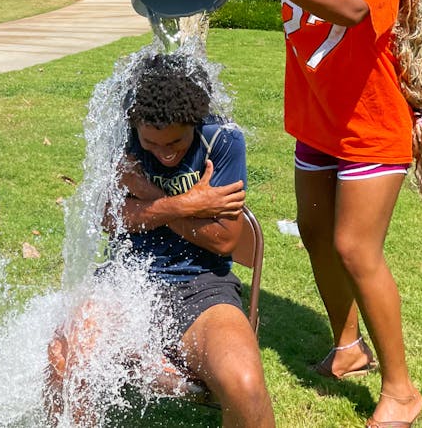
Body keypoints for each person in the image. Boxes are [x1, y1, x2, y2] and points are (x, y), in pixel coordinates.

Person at [210, 0, 422, 428]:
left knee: (355, 247)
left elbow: (350, 10)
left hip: (371, 126)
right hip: (317, 124)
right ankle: (348, 347)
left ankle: (401, 391)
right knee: (314, 232)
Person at [45, 53, 275, 428]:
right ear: (135, 126)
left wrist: (147, 194)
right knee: (63, 358)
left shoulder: (222, 140)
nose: (165, 153)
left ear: (194, 123)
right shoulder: (121, 137)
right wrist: (189, 203)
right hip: (126, 280)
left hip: (202, 288)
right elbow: (111, 219)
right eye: (152, 143)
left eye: (176, 143)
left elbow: (224, 240)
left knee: (246, 386)